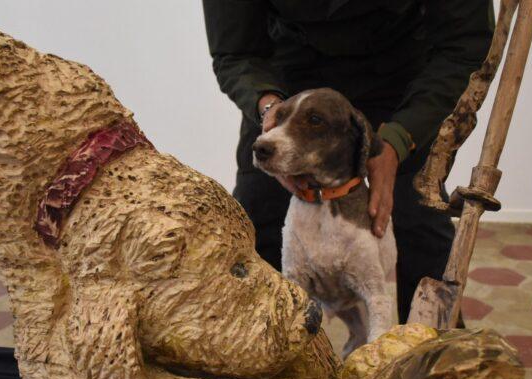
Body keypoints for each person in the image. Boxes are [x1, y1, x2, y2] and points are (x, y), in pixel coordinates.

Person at [202, 0, 494, 323]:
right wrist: (271, 110)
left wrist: (400, 139)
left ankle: (433, 357)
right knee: (257, 218)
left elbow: (464, 43)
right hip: (290, 77)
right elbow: (236, 52)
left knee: (418, 217)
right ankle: (255, 351)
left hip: (400, 73)